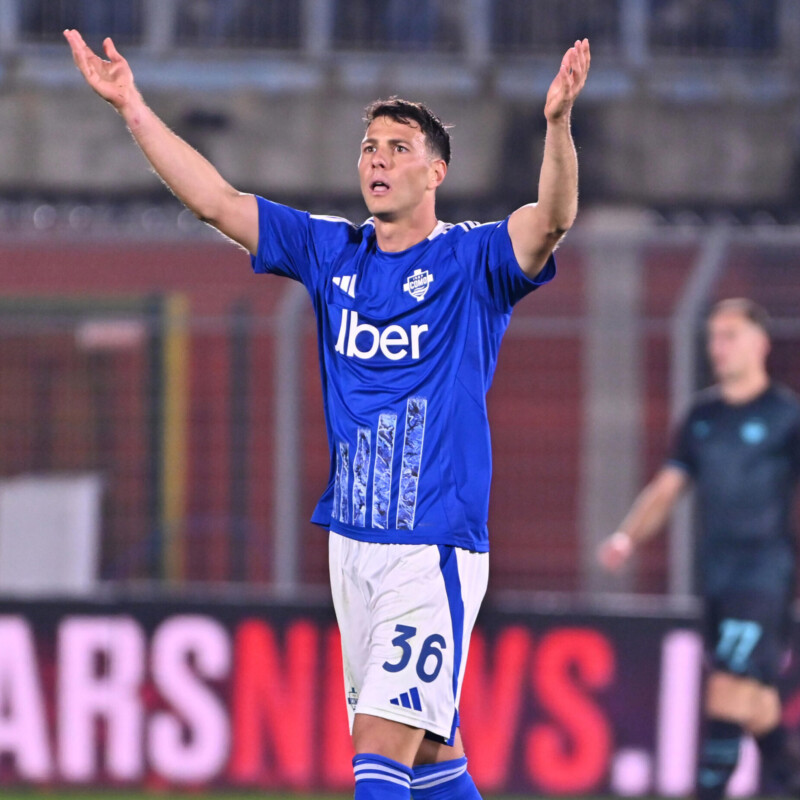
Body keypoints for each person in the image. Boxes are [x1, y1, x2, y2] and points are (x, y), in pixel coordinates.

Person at [64, 27, 590, 800]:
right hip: (352, 541)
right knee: (432, 759)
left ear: (436, 170)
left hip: (429, 544)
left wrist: (556, 125)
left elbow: (551, 220)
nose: (377, 158)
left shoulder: (471, 261)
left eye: (398, 147)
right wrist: (133, 108)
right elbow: (215, 200)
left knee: (376, 751)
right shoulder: (331, 252)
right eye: (369, 145)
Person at [598, 298, 800, 799]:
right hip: (717, 577)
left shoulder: (785, 416)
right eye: (713, 336)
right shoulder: (702, 417)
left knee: (727, 689)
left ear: (760, 342)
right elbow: (667, 489)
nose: (718, 346)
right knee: (755, 703)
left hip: (764, 576)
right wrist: (627, 537)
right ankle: (790, 775)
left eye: (730, 335)